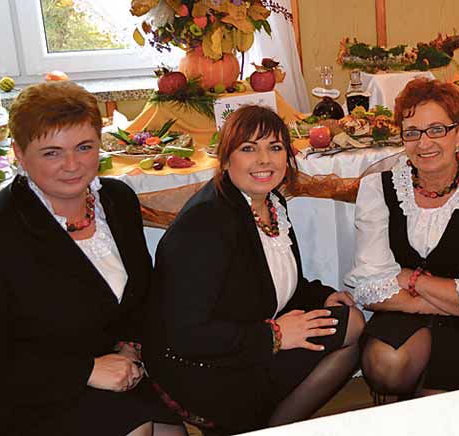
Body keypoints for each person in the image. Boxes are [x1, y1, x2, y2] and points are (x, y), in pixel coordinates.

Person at [145, 105, 364, 434]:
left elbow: (271, 279)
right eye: (248, 148)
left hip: (246, 341)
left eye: (275, 147)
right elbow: (186, 334)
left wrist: (323, 296)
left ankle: (264, 426)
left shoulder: (272, 204)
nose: (264, 160)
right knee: (350, 330)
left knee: (352, 329)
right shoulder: (205, 224)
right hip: (203, 368)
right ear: (225, 159)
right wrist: (275, 336)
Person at [0, 81, 183, 435]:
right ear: (19, 153)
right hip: (38, 393)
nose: (72, 165)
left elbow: (140, 298)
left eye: (84, 147)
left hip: (122, 376)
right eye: (52, 153)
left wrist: (131, 346)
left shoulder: (118, 201)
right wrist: (86, 371)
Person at [345, 78, 459, 397]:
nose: (424, 143)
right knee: (386, 364)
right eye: (412, 132)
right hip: (406, 315)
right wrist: (449, 299)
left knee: (440, 403)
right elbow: (369, 288)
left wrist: (410, 279)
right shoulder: (378, 190)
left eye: (437, 129)